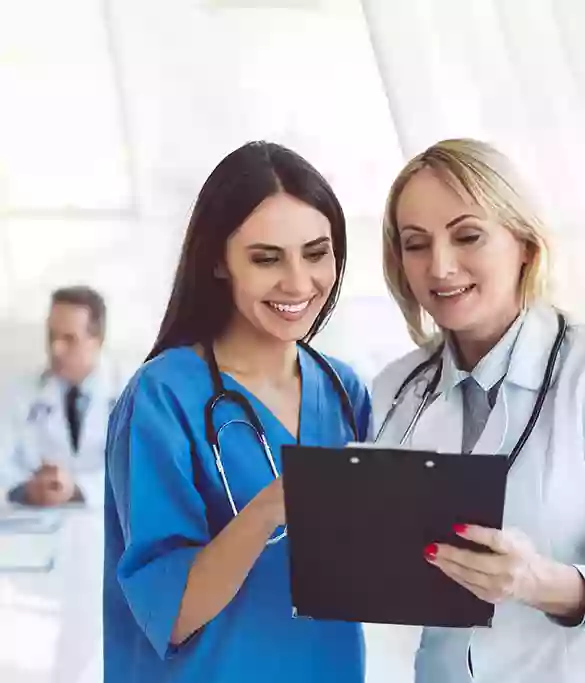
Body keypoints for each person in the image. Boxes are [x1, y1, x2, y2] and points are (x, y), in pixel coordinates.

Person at [103, 141, 371, 683]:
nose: (298, 282)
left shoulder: (344, 391)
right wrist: (270, 508)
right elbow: (170, 614)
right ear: (219, 263)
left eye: (316, 253)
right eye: (266, 258)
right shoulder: (163, 397)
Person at [372, 138, 585, 682]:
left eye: (467, 236)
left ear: (524, 245)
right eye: (415, 244)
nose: (440, 267)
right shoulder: (395, 390)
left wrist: (539, 582)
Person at [1, 285, 120, 508]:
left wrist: (76, 489)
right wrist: (27, 489)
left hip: (106, 526)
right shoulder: (18, 393)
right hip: (32, 526)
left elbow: (143, 473)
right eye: (51, 336)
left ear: (98, 340)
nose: (55, 349)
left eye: (69, 338)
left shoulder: (129, 393)